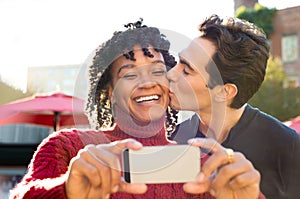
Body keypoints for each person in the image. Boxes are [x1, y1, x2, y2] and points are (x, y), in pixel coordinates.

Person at [9, 19, 263, 199]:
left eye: (157, 71)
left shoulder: (204, 164)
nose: (147, 83)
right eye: (129, 75)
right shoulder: (68, 148)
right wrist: (66, 190)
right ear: (109, 91)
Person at [167, 14, 300, 199]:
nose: (170, 74)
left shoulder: (288, 147)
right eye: (178, 62)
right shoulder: (172, 139)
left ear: (225, 92)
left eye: (187, 70)